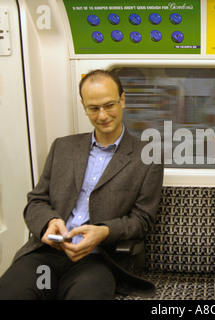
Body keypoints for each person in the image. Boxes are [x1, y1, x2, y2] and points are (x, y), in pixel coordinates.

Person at [0, 69, 164, 299]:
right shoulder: (63, 147)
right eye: (94, 108)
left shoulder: (148, 156)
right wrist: (50, 222)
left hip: (97, 260)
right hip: (46, 255)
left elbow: (142, 219)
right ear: (84, 106)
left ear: (123, 100)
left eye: (109, 105)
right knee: (13, 293)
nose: (103, 115)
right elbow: (37, 200)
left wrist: (104, 232)